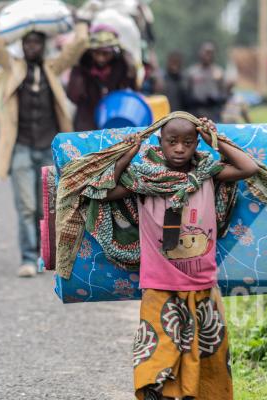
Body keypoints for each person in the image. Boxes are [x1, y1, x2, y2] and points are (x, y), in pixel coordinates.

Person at [100, 114, 256, 399]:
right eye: (172, 142)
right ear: (160, 142)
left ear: (197, 144)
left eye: (188, 142)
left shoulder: (208, 174)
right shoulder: (144, 180)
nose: (180, 149)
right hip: (159, 285)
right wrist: (129, 154)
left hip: (202, 285)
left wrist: (215, 140)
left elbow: (249, 167)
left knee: (204, 355)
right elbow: (105, 189)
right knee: (156, 354)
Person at [0, 4, 89, 277]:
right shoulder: (11, 67)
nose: (31, 47)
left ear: (43, 45)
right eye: (27, 43)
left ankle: (46, 257)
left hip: (48, 148)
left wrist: (77, 20)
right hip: (19, 147)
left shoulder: (53, 68)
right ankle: (28, 258)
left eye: (36, 43)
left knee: (49, 208)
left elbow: (79, 44)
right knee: (26, 206)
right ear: (21, 46)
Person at [66, 25, 137, 131]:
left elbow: (132, 89)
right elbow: (73, 96)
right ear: (90, 52)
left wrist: (130, 65)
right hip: (87, 124)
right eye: (96, 53)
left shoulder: (121, 66)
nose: (101, 58)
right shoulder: (82, 66)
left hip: (114, 122)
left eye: (105, 53)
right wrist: (78, 68)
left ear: (114, 52)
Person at [185, 42, 232, 121]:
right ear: (200, 53)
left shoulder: (218, 72)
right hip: (195, 113)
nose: (208, 55)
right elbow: (186, 93)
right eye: (206, 52)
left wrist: (217, 99)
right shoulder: (192, 72)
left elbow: (224, 93)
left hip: (213, 113)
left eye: (211, 53)